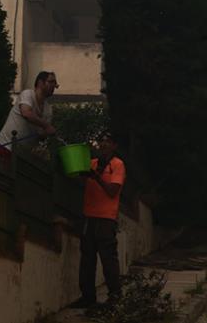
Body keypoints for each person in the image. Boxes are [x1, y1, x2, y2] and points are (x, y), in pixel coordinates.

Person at [70, 131, 125, 309]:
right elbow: (78, 180)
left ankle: (115, 295)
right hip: (89, 216)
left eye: (108, 141)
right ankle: (87, 297)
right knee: (87, 259)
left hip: (106, 219)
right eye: (101, 141)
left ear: (115, 146)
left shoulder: (117, 165)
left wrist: (97, 178)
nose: (103, 144)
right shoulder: (92, 163)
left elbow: (112, 191)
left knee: (108, 259)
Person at [0, 71, 58, 155]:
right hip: (7, 147)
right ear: (40, 83)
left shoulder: (48, 109)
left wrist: (46, 133)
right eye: (51, 82)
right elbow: (26, 113)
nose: (54, 86)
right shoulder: (27, 94)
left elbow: (41, 135)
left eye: (55, 83)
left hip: (24, 155)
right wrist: (47, 126)